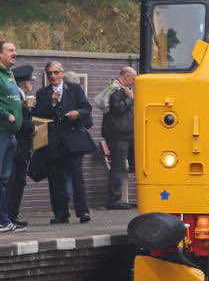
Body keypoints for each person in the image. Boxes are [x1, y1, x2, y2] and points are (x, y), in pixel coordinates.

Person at [32, 61, 95, 224]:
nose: (52, 76)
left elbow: (87, 108)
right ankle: (61, 213)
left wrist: (78, 113)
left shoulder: (74, 89)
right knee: (55, 179)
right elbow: (38, 114)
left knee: (77, 177)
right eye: (49, 73)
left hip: (73, 140)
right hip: (53, 142)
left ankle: (83, 212)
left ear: (62, 73)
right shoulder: (42, 93)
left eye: (55, 72)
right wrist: (51, 103)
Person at [96, 66, 136, 209]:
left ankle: (132, 196)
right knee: (118, 167)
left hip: (128, 134)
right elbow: (117, 108)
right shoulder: (115, 89)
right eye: (133, 78)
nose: (134, 82)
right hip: (118, 135)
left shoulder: (124, 90)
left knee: (135, 164)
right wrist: (130, 99)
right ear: (126, 76)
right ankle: (114, 200)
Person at [6, 65, 36, 229]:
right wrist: (33, 127)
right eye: (30, 80)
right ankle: (10, 215)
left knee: (18, 181)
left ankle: (12, 215)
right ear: (25, 82)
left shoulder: (22, 96)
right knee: (15, 182)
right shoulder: (17, 96)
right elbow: (19, 120)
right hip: (19, 146)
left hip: (21, 147)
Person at [0, 41, 22, 233]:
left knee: (3, 179)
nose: (14, 53)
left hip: (10, 135)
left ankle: (5, 220)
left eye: (15, 50)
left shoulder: (10, 75)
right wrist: (7, 115)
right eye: (10, 50)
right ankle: (3, 220)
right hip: (1, 133)